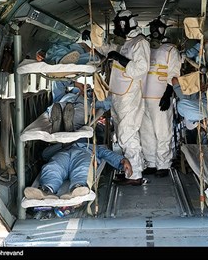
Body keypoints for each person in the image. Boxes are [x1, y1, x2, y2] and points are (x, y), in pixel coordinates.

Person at [85, 10, 150, 186]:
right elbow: (108, 50)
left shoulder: (140, 43)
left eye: (117, 25)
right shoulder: (126, 43)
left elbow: (141, 69)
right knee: (122, 134)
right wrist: (91, 39)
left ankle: (135, 175)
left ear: (125, 24)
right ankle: (130, 169)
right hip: (119, 94)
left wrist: (120, 59)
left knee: (128, 134)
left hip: (130, 95)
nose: (115, 28)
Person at [139, 16, 181, 178]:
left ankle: (163, 164)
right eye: (153, 28)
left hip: (161, 97)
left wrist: (168, 93)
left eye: (159, 28)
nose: (155, 31)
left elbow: (174, 73)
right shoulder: (144, 48)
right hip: (142, 97)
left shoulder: (171, 50)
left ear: (164, 30)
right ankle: (150, 163)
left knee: (163, 131)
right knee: (146, 132)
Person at [24, 141, 133, 200]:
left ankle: (77, 188)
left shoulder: (94, 146)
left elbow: (107, 154)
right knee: (53, 166)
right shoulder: (61, 143)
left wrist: (122, 160)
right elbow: (45, 155)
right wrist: (61, 144)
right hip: (64, 153)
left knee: (83, 168)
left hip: (84, 152)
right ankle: (46, 190)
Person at [47, 80, 112, 133]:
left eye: (89, 89)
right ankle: (60, 124)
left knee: (80, 113)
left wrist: (98, 95)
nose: (87, 89)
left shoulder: (91, 102)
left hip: (82, 108)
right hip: (62, 104)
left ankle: (66, 126)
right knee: (57, 107)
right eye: (86, 87)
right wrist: (76, 84)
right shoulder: (65, 95)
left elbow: (109, 101)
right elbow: (57, 81)